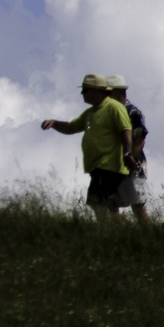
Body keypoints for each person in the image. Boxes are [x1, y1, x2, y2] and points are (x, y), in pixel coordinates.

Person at [39, 74, 133, 223]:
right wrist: (54, 123)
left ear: (97, 91)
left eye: (85, 90)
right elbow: (71, 127)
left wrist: (128, 154)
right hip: (99, 166)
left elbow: (126, 130)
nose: (82, 93)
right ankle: (120, 231)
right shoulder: (91, 112)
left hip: (110, 166)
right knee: (109, 204)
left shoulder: (114, 107)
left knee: (96, 202)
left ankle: (108, 230)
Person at [105, 75, 152, 225]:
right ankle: (119, 235)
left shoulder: (131, 111)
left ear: (119, 93)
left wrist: (128, 161)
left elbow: (140, 139)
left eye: (108, 93)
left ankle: (150, 236)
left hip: (131, 167)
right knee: (111, 203)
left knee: (137, 206)